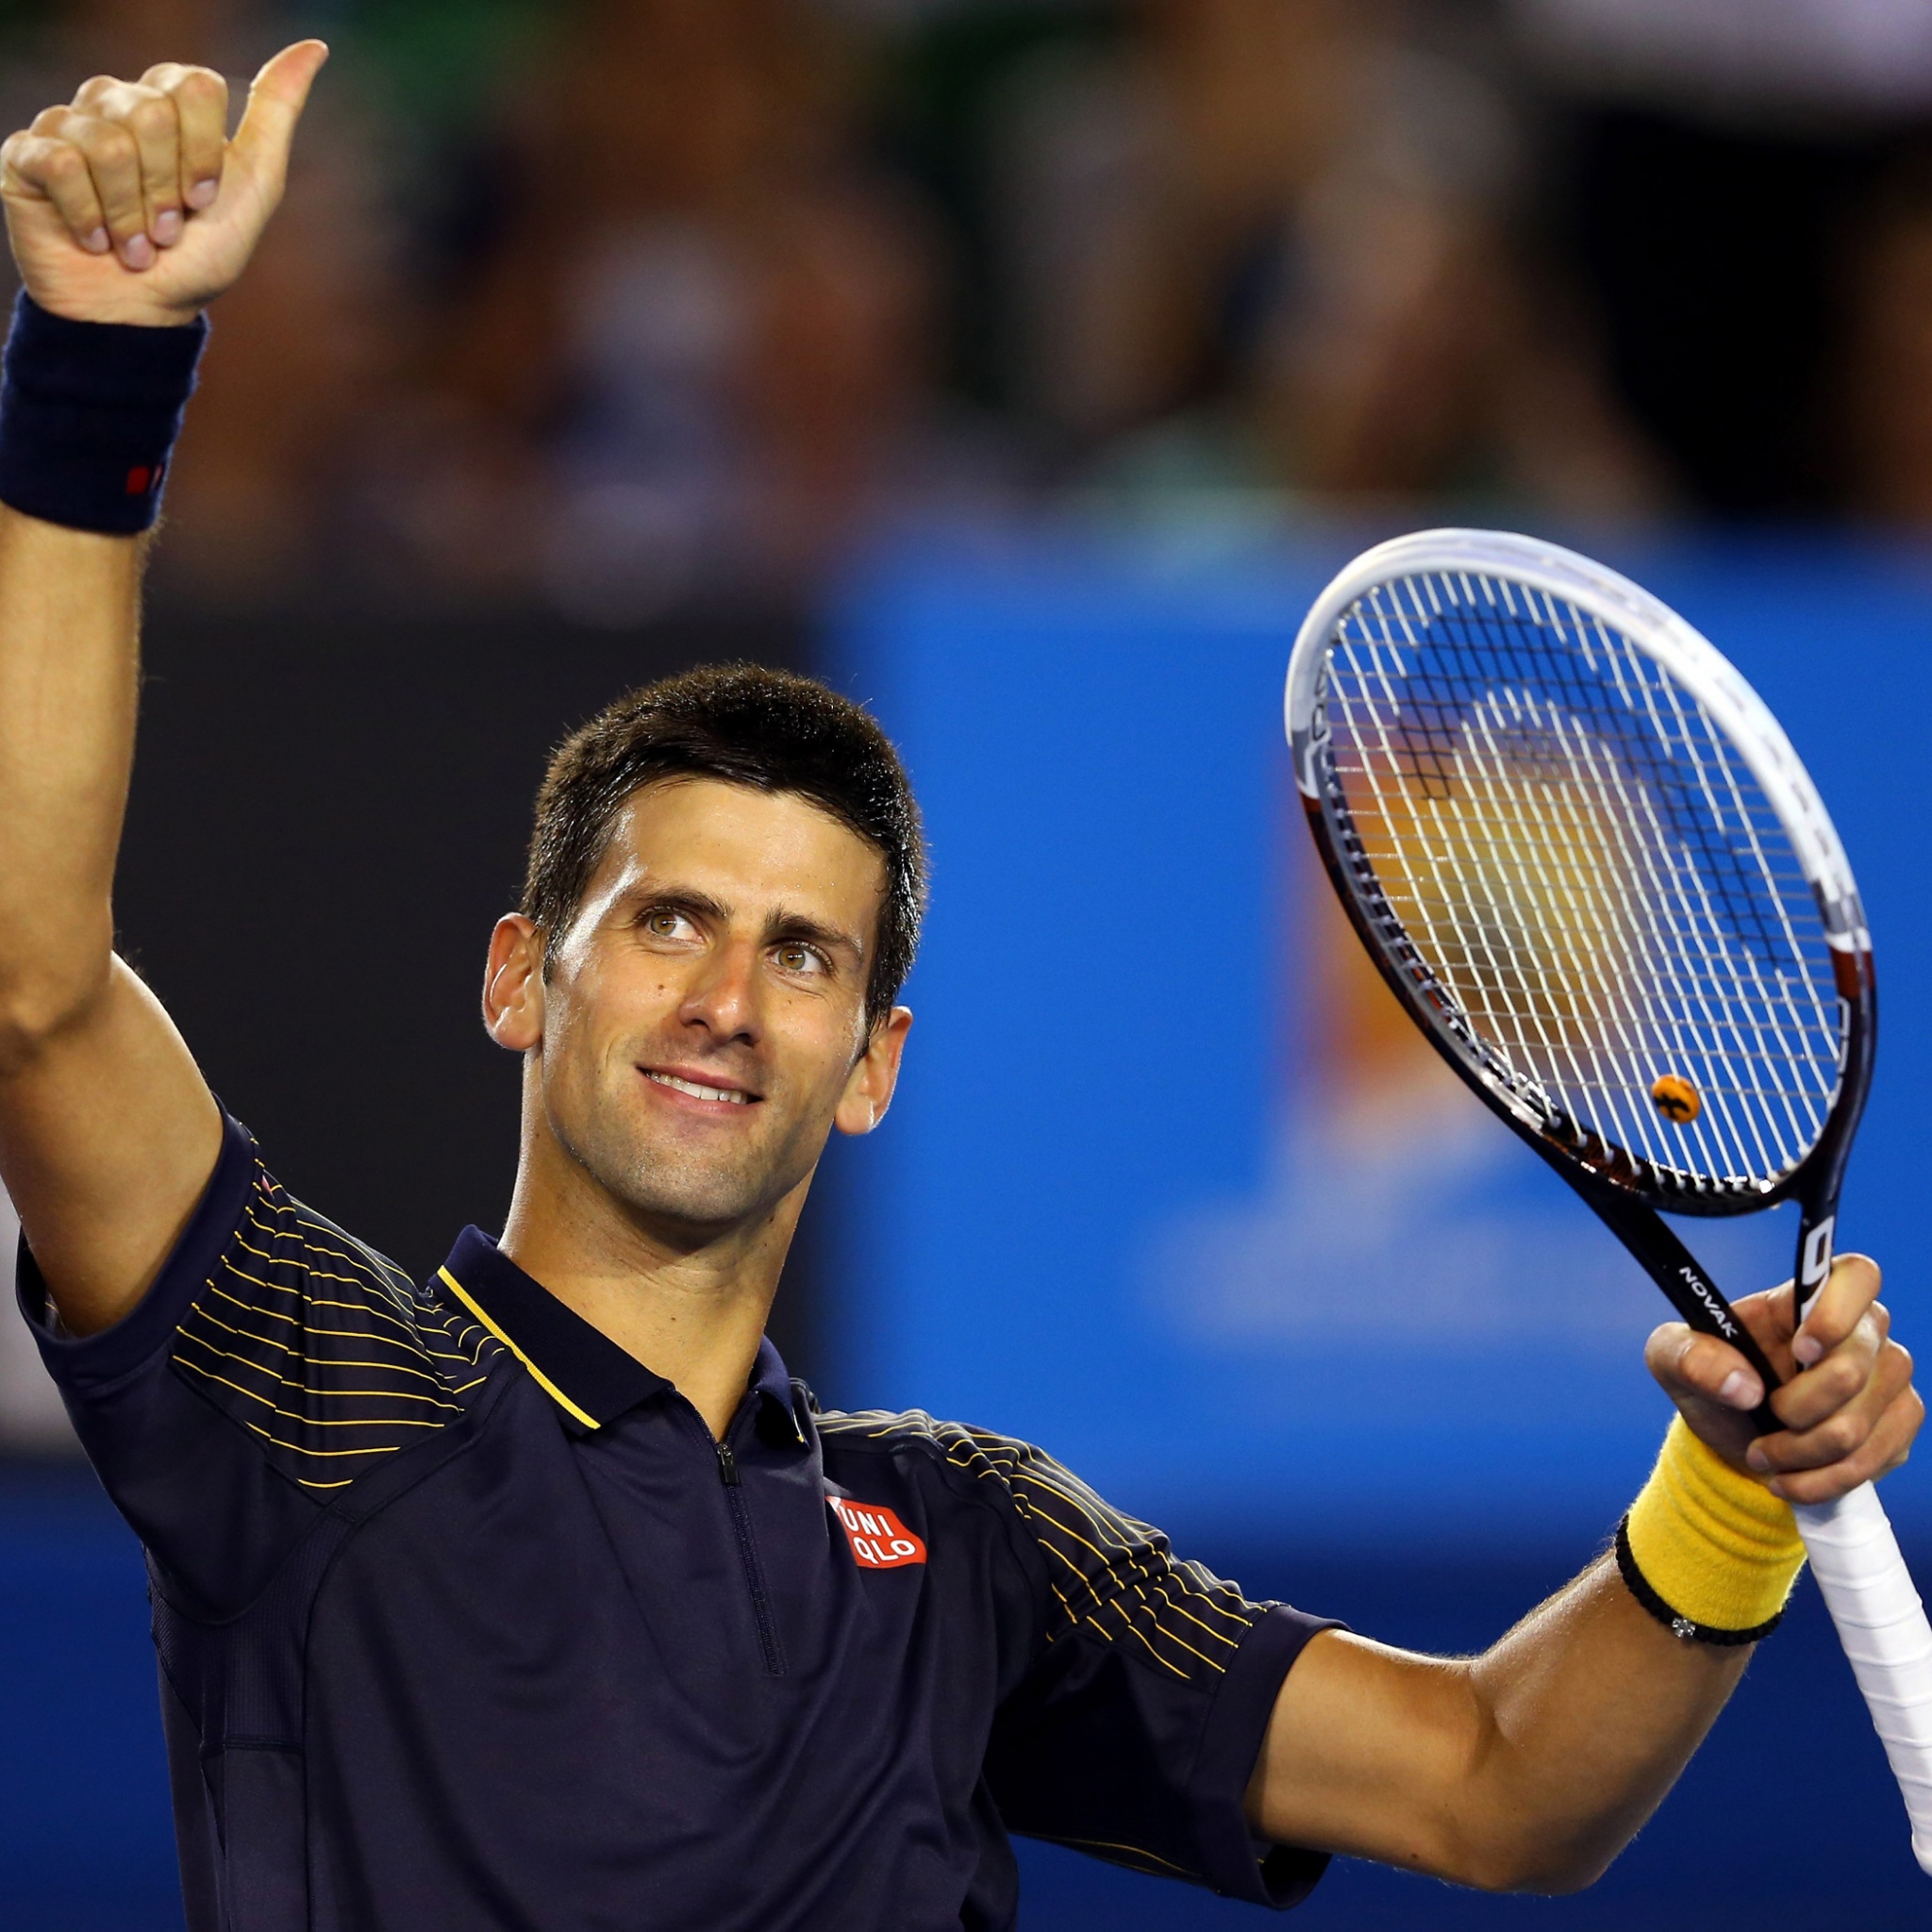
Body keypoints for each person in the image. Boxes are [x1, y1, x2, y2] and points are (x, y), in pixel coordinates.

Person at [0, 42, 1919, 1932]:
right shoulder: (322, 1390)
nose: (730, 996)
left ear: (870, 1066)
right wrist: (98, 361)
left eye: (804, 952)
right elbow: (33, 988)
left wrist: (1732, 1487)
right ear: (521, 978)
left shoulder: (972, 1542)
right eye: (668, 922)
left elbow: (1493, 1783)